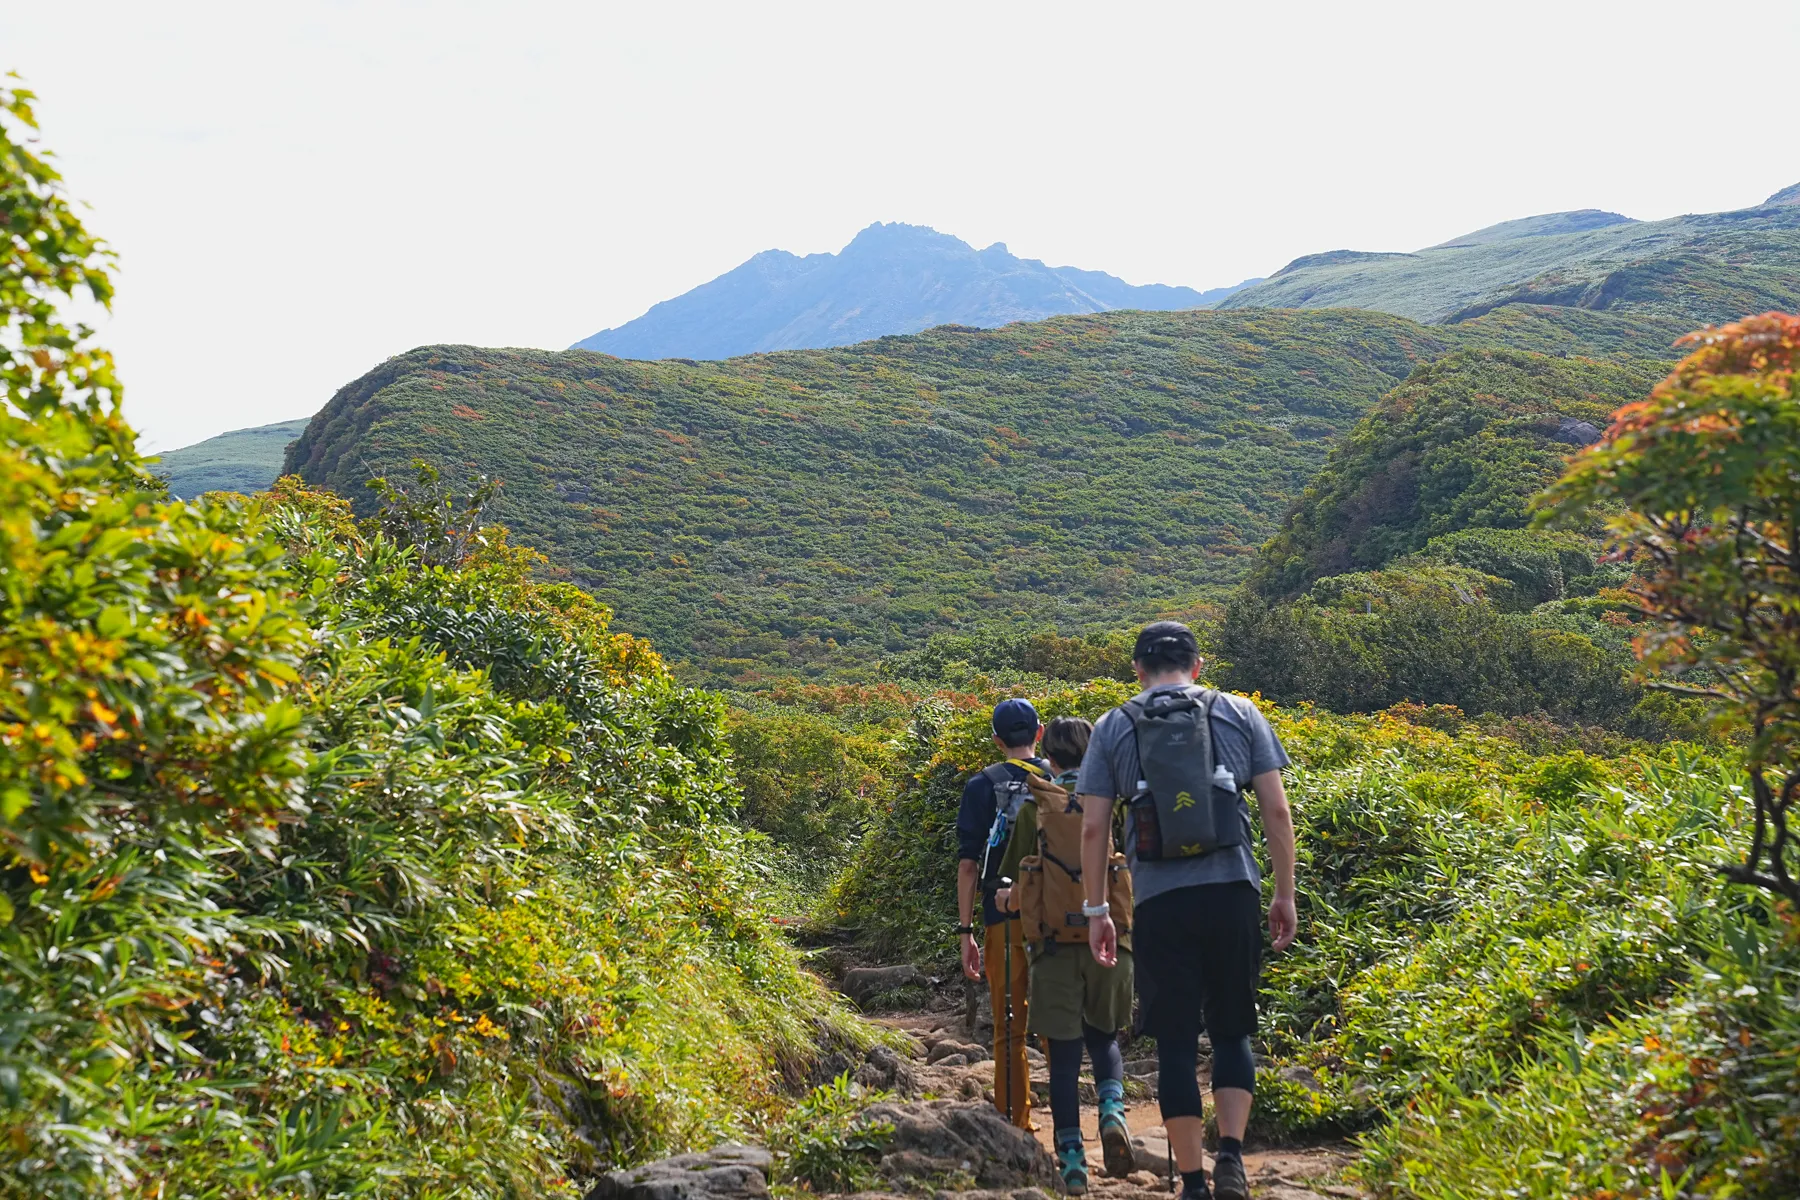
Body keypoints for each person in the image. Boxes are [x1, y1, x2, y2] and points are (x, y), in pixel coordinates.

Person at [1077, 622, 1298, 1200]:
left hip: (1159, 901)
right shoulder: (1240, 712)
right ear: (1197, 666)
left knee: (1174, 1042)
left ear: (1137, 669)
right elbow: (1276, 810)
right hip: (1232, 890)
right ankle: (1230, 1159)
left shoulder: (1114, 725)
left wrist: (1098, 908)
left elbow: (1095, 825)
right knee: (1231, 1030)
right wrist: (1283, 893)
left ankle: (1193, 1183)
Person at [995, 716, 1133, 1196]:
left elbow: (1016, 882)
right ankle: (1113, 1109)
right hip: (1110, 938)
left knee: (1064, 1060)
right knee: (1105, 1039)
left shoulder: (1037, 803)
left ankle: (1072, 1160)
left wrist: (1002, 902)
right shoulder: (1112, 801)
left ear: (1048, 756)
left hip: (1052, 945)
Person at [955, 697, 1046, 1129]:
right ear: (1039, 734)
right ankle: (1071, 1125)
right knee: (1059, 1022)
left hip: (1001, 917)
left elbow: (969, 864)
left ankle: (1014, 1119)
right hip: (1055, 917)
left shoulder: (980, 785)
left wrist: (965, 930)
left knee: (1008, 1025)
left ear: (996, 741)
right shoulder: (1058, 777)